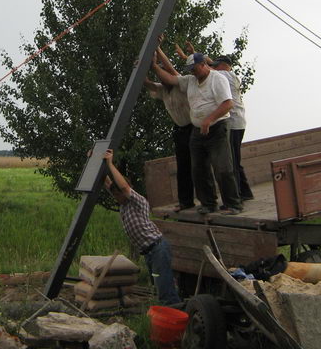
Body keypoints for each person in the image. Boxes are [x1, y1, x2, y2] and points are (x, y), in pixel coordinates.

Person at [153, 52, 242, 215]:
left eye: (194, 69)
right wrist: (153, 66)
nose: (192, 72)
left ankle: (233, 204)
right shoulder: (190, 81)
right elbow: (172, 78)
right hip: (197, 130)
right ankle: (208, 204)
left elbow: (228, 104)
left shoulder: (217, 79)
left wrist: (209, 120)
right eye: (190, 70)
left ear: (203, 65)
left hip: (217, 127)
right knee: (199, 169)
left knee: (222, 167)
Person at [102, 149, 182, 305]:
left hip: (158, 248)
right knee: (159, 286)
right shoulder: (123, 204)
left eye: (117, 195)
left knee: (165, 290)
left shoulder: (136, 201)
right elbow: (107, 183)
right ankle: (171, 308)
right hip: (149, 253)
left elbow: (123, 188)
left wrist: (110, 163)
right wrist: (97, 162)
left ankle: (175, 317)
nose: (115, 198)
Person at [143, 42, 194, 212]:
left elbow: (170, 69)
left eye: (163, 78)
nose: (161, 80)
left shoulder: (181, 83)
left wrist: (157, 48)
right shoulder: (163, 89)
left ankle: (208, 201)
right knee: (183, 168)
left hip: (193, 128)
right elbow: (148, 83)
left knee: (200, 166)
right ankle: (186, 201)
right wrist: (142, 67)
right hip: (180, 130)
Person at [211, 55, 253, 201]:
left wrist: (188, 56)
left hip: (234, 123)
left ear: (223, 65)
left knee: (232, 161)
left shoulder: (224, 75)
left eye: (216, 65)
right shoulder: (231, 75)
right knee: (235, 159)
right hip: (239, 122)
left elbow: (207, 69)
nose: (214, 67)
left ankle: (239, 194)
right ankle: (245, 192)